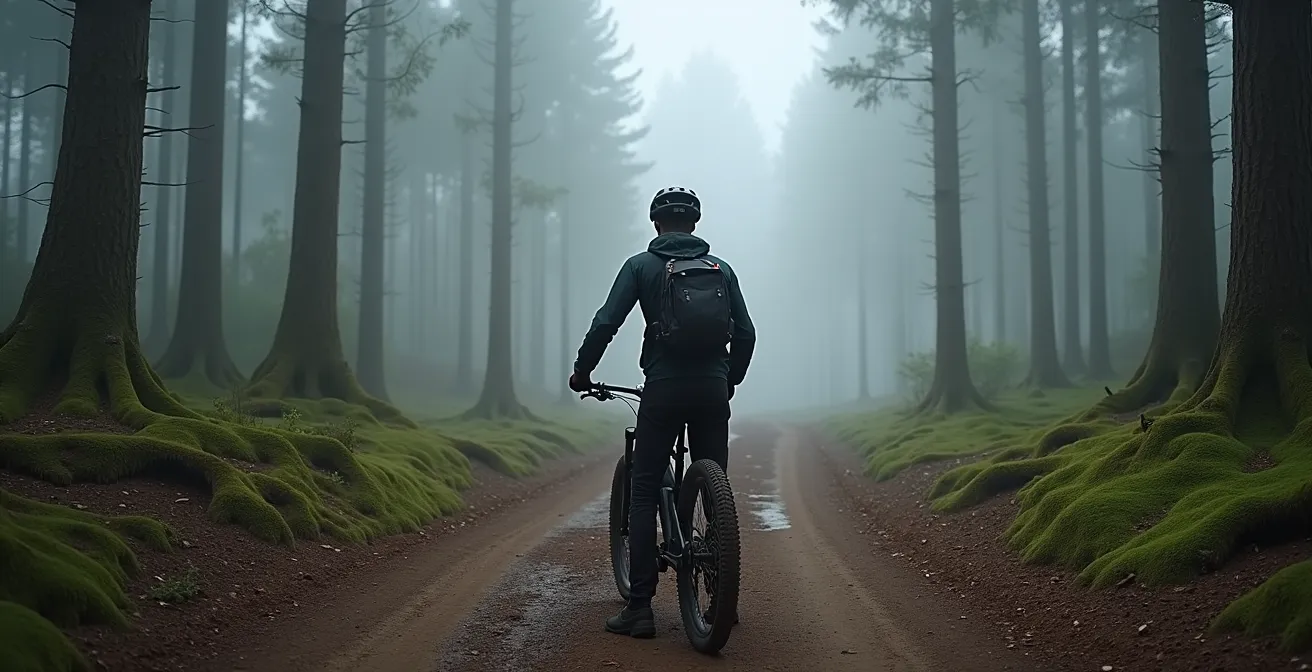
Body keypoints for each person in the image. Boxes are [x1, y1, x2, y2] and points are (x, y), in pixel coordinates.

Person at [568, 185, 756, 638]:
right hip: (712, 389)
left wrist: (582, 370)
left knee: (645, 488)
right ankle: (721, 600)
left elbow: (606, 322)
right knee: (715, 486)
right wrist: (727, 380)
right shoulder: (720, 269)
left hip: (663, 389)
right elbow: (746, 334)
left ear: (656, 223)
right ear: (694, 224)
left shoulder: (640, 266)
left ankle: (640, 608)